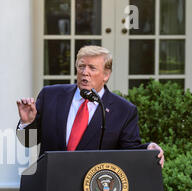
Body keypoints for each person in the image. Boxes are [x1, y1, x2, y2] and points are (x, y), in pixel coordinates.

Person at [16, 45, 164, 168]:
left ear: (106, 75)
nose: (84, 72)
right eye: (81, 66)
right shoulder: (51, 95)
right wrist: (27, 123)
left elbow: (128, 151)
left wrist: (147, 150)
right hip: (51, 184)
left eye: (92, 68)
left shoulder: (123, 110)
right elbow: (28, 141)